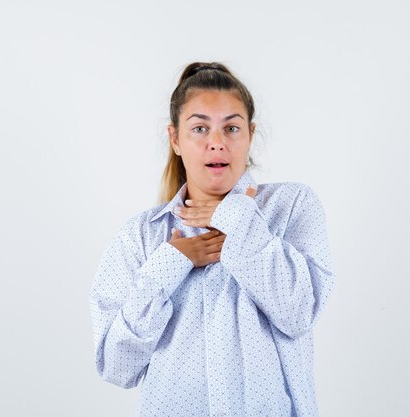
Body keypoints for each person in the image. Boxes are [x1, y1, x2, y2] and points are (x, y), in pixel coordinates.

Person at [89, 62, 336, 417]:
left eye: (231, 128)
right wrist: (171, 263)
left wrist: (234, 217)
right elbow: (117, 366)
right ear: (175, 139)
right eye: (200, 128)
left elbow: (297, 313)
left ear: (250, 134)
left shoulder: (292, 207)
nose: (217, 143)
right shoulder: (140, 236)